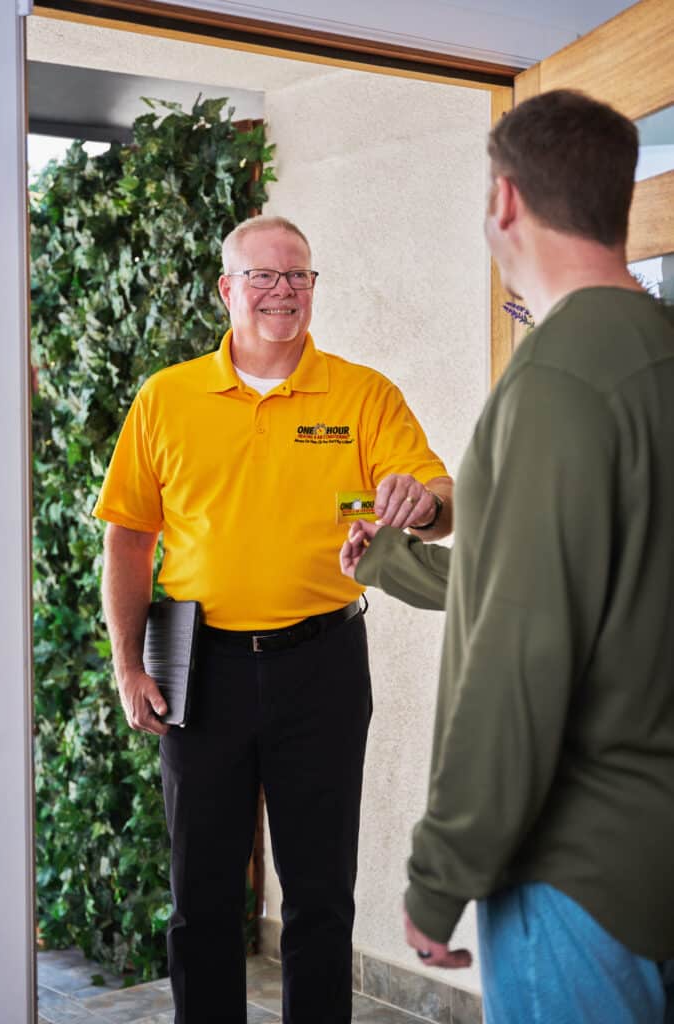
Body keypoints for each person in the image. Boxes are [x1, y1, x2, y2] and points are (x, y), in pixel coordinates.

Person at [340, 89, 674, 1022]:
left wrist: (440, 870)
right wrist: (388, 564)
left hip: (577, 882)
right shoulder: (654, 354)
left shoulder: (556, 380)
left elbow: (521, 652)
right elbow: (587, 585)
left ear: (504, 201)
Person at [93, 214, 452, 1024]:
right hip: (198, 666)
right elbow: (128, 537)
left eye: (297, 276)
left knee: (321, 895)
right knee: (203, 896)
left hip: (321, 666)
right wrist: (128, 663)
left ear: (313, 289)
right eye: (262, 275)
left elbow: (437, 504)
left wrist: (419, 503)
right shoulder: (167, 397)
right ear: (227, 289)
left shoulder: (362, 394)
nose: (281, 291)